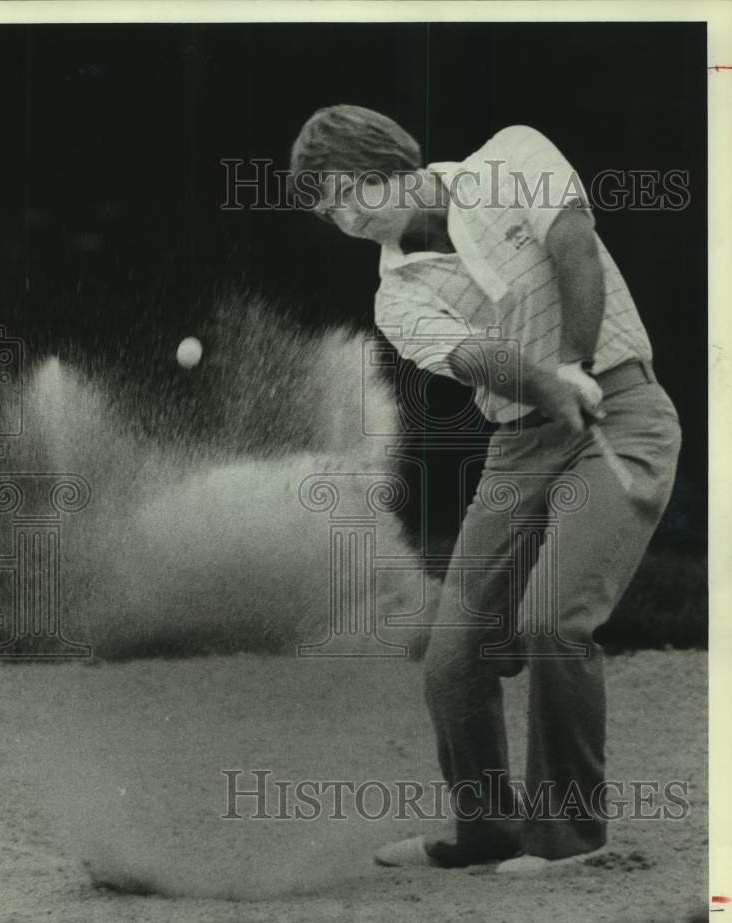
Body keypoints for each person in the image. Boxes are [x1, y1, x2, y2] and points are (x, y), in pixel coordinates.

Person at [289, 105, 682, 872]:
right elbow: (475, 361)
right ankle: (486, 832)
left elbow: (574, 247)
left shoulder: (511, 154)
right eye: (328, 210)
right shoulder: (394, 298)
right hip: (519, 447)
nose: (344, 217)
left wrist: (571, 361)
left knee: (553, 621)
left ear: (389, 161)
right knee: (452, 656)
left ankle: (570, 839)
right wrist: (544, 381)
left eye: (348, 193)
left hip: (623, 417)